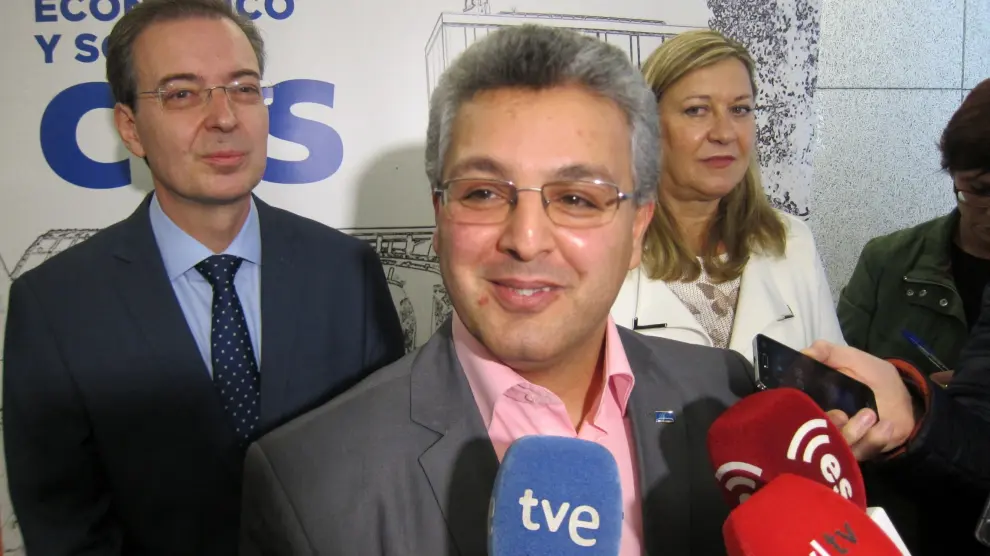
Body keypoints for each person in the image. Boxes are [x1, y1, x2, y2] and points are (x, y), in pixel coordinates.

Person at [238, 24, 760, 556]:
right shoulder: (309, 485)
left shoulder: (724, 396)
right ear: (440, 218)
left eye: (577, 198)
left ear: (637, 230)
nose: (526, 241)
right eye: (483, 193)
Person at [2, 1, 405, 555]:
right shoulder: (55, 306)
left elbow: (387, 481)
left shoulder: (348, 272)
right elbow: (65, 530)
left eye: (244, 88)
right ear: (130, 128)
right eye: (182, 94)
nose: (224, 117)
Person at [610, 30, 844, 363]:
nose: (724, 132)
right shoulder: (606, 249)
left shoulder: (793, 242)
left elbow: (834, 377)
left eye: (740, 109)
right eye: (696, 110)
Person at [838, 79, 990, 379]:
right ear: (953, 176)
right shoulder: (886, 262)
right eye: (980, 190)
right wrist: (915, 393)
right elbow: (834, 376)